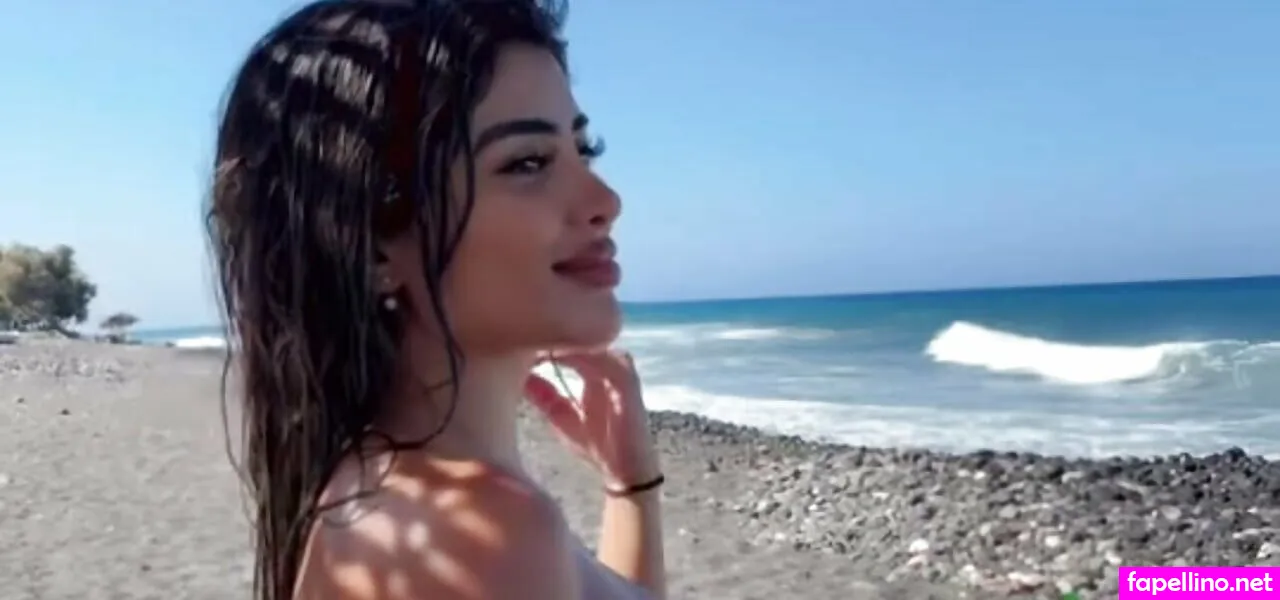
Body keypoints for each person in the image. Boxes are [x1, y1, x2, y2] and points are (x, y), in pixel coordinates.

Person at [205, 0, 666, 598]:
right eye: (527, 163)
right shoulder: (485, 529)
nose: (606, 201)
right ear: (374, 244)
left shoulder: (384, 486)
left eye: (585, 150)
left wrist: (629, 484)